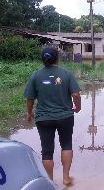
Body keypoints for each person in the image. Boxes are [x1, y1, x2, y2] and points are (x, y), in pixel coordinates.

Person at [24, 47, 81, 186]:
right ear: (57, 58)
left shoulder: (35, 75)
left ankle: (50, 181)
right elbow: (75, 94)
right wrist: (77, 107)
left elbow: (30, 98)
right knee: (66, 145)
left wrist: (29, 113)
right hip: (65, 117)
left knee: (47, 151)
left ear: (43, 59)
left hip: (43, 118)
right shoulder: (66, 74)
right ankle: (66, 177)